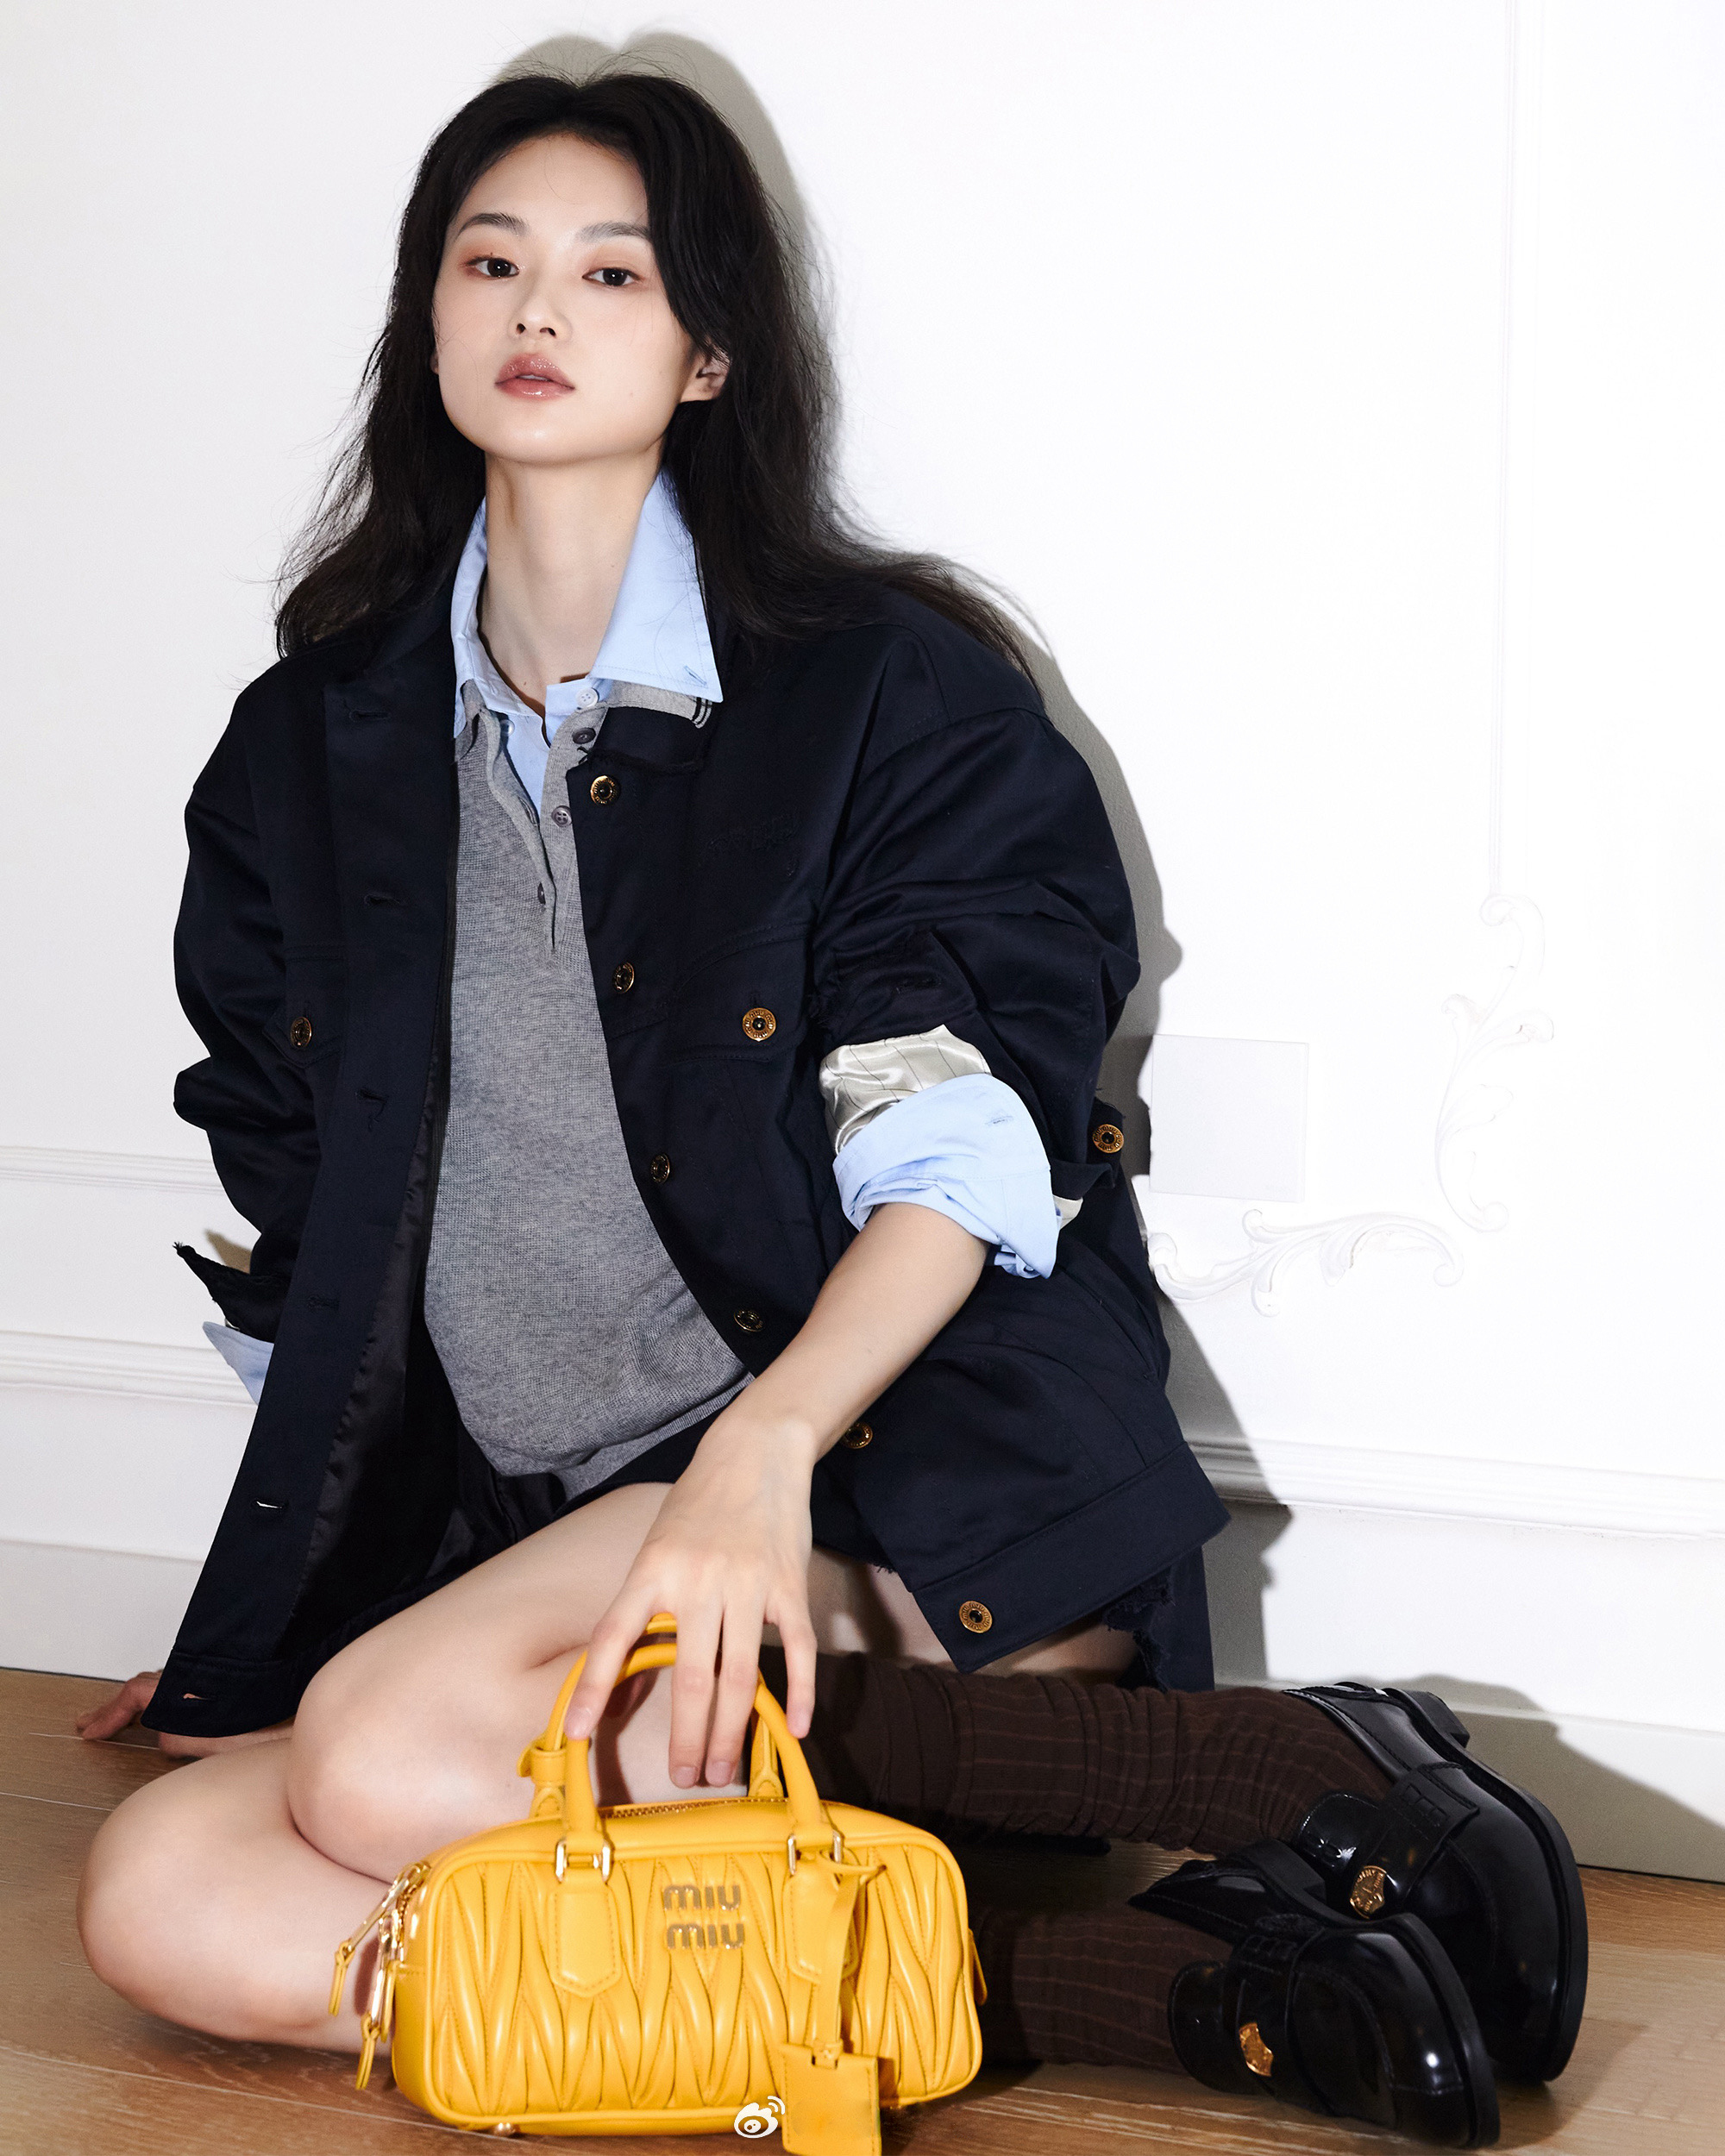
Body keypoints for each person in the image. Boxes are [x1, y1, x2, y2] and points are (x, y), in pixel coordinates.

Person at [74, 72, 1582, 2145]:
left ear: (708, 351)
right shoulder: (305, 745)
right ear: (427, 317)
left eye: (614, 273)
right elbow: (304, 1202)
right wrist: (279, 1599)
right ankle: (1192, 1990)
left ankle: (1260, 1766)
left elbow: (961, 1140)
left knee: (380, 1761)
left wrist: (756, 1456)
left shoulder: (878, 688)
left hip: (887, 1490)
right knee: (166, 1894)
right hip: (539, 1560)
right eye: (489, 260)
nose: (538, 306)